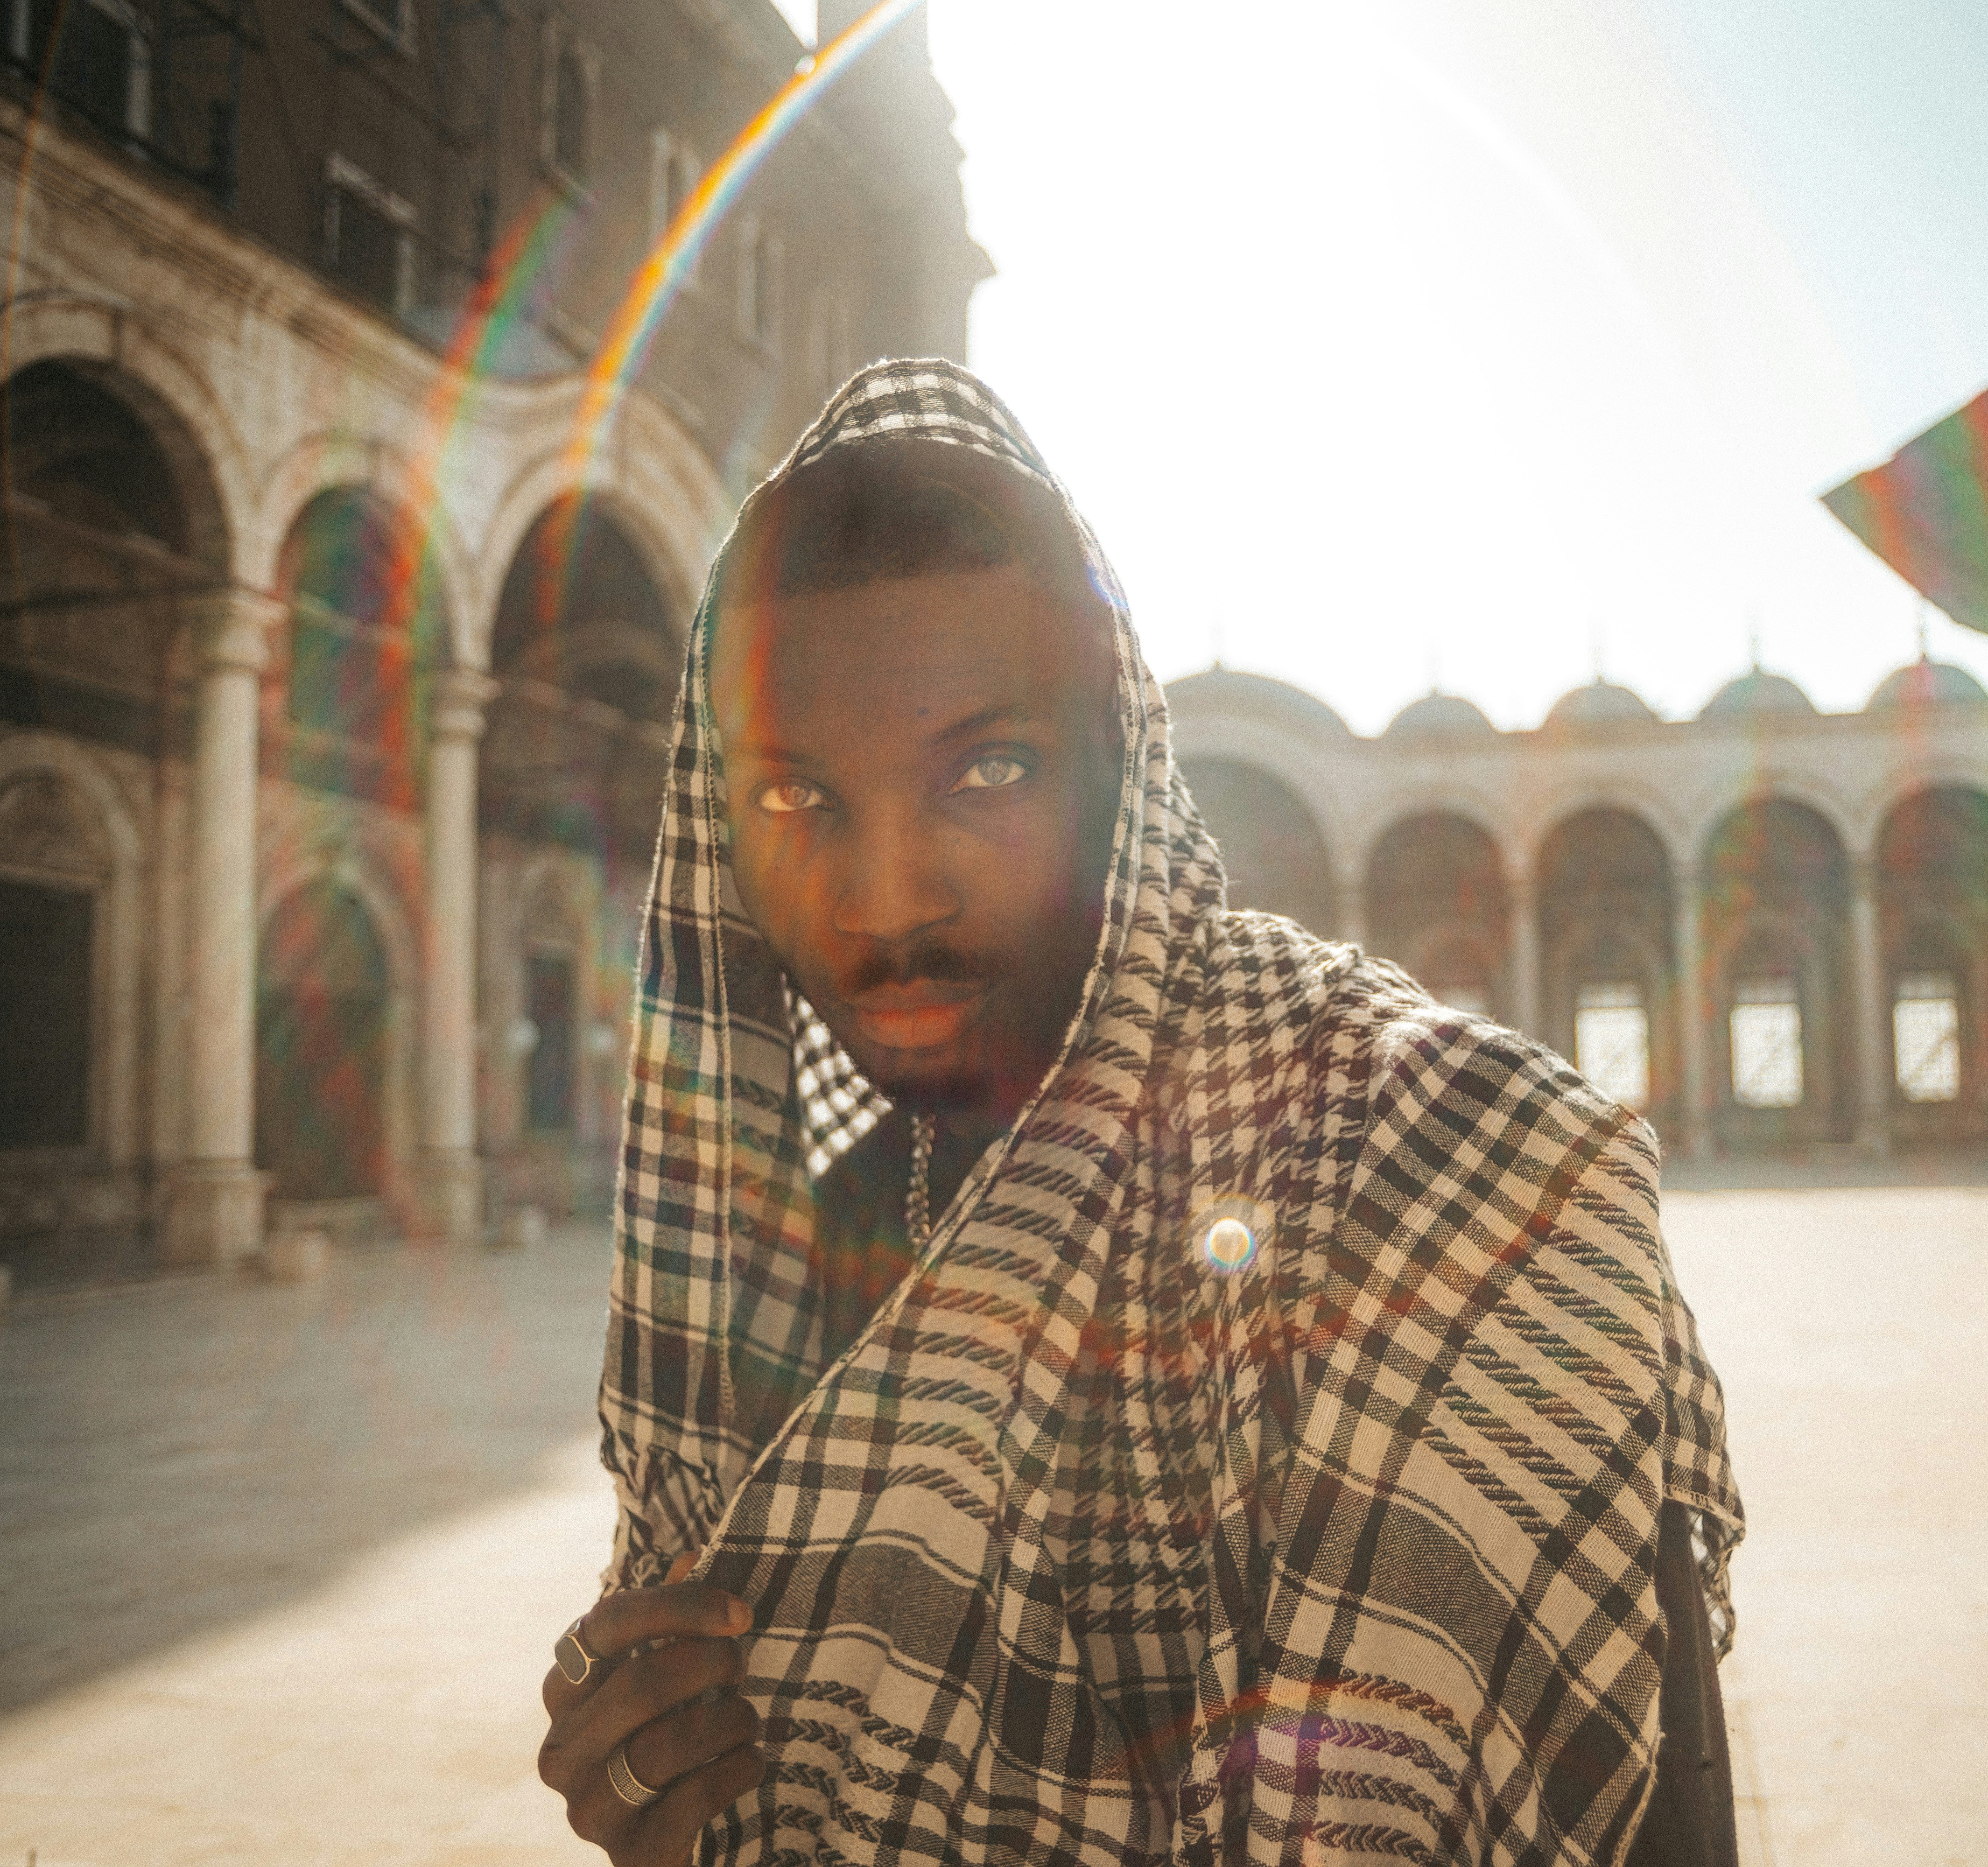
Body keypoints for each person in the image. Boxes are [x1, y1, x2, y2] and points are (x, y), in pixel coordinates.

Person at [535, 361, 1744, 1866]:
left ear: (1120, 773)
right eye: (794, 801)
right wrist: (671, 1792)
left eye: (988, 768)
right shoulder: (817, 1255)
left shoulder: (1457, 1168)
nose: (884, 896)